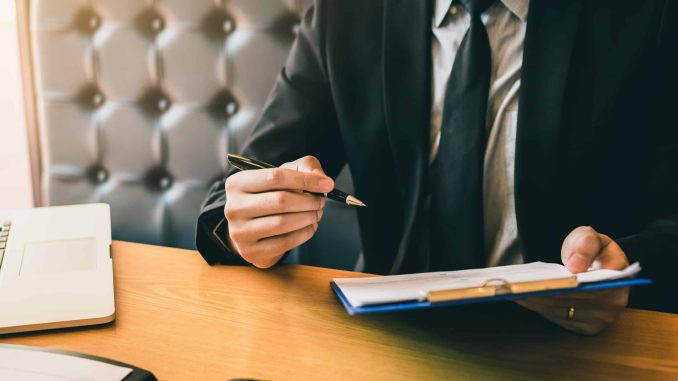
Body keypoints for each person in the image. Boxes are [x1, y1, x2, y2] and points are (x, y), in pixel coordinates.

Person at [196, 0, 678, 334]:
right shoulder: (345, 12)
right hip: (390, 331)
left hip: (566, 340)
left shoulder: (647, 15)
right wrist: (242, 227)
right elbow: (235, 190)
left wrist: (622, 272)